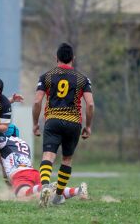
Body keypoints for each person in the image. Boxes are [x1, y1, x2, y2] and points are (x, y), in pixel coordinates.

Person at [32, 43, 94, 207]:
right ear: (73, 59)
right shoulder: (82, 79)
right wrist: (88, 126)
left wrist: (35, 124)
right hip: (74, 123)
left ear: (56, 58)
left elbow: (37, 101)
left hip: (52, 121)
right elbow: (90, 105)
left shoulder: (46, 76)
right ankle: (58, 195)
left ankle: (46, 186)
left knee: (48, 156)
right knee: (66, 159)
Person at [0, 124, 88, 201]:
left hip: (20, 174)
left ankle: (45, 187)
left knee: (22, 196)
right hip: (33, 172)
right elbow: (10, 155)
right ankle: (77, 190)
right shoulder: (24, 144)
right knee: (43, 194)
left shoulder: (5, 140)